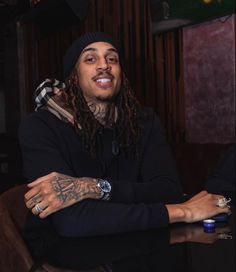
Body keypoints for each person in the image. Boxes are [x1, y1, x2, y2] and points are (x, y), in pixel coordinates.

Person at [19, 32, 230, 238]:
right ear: (74, 75)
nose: (104, 65)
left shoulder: (144, 121)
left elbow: (168, 191)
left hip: (137, 246)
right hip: (65, 258)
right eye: (90, 59)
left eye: (112, 58)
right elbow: (73, 222)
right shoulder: (39, 127)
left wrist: (93, 188)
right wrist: (184, 211)